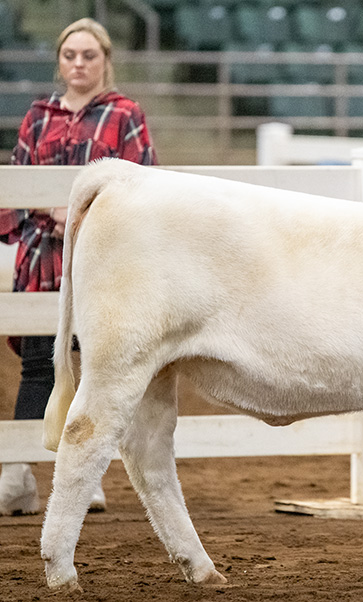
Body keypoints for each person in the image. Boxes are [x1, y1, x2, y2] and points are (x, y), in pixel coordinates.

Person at [0, 18, 157, 516]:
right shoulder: (38, 116)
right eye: (70, 55)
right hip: (43, 258)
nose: (78, 64)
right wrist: (51, 209)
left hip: (101, 259)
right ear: (60, 60)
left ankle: (85, 479)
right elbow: (17, 185)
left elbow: (145, 185)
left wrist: (87, 213)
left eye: (88, 55)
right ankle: (18, 476)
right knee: (35, 367)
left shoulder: (125, 114)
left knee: (93, 368)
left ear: (104, 60)